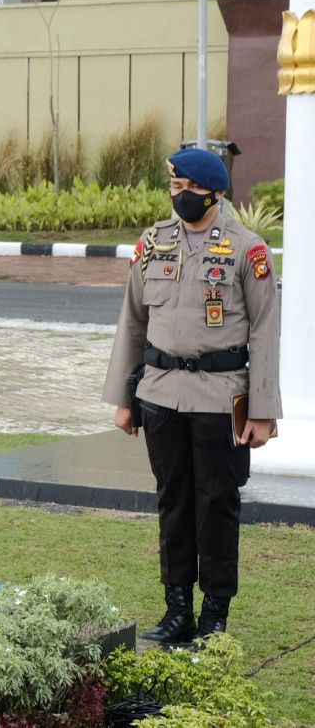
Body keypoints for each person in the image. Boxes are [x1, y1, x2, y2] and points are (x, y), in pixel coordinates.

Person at [101, 148, 281, 646]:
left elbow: (266, 333)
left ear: (215, 194)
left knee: (217, 504)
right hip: (161, 393)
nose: (179, 197)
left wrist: (263, 412)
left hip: (221, 398)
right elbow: (133, 321)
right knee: (173, 502)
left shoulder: (248, 250)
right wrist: (123, 397)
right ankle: (176, 608)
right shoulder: (153, 244)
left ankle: (214, 616)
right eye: (174, 189)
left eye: (189, 190)